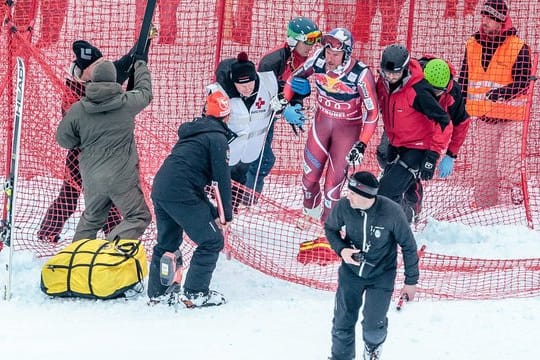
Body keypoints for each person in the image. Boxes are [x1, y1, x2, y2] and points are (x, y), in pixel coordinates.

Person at [37, 40, 141, 242]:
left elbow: (125, 64)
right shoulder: (73, 91)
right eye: (97, 65)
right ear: (84, 71)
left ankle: (115, 238)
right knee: (74, 200)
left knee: (102, 200)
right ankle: (47, 234)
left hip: (100, 158)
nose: (103, 67)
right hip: (80, 159)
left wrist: (145, 40)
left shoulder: (99, 79)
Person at [147, 90, 234, 308]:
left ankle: (159, 293)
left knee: (167, 242)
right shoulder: (217, 138)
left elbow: (194, 182)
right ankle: (196, 293)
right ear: (226, 117)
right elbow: (221, 181)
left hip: (162, 188)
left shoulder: (193, 133)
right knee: (212, 240)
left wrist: (214, 213)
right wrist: (226, 216)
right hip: (181, 193)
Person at [56, 57, 153, 242]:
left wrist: (82, 141)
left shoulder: (78, 109)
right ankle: (109, 247)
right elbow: (145, 92)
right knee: (139, 216)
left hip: (92, 177)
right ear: (114, 79)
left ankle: (77, 260)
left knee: (91, 219)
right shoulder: (127, 102)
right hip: (121, 178)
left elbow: (63, 140)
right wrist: (140, 65)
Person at [287, 28, 379, 224]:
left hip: (346, 132)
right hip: (321, 126)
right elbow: (293, 79)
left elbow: (373, 113)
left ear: (346, 53)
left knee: (332, 188)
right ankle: (309, 214)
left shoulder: (360, 74)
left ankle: (329, 226)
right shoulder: (318, 60)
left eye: (335, 54)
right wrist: (285, 100)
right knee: (309, 179)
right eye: (328, 52)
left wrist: (361, 144)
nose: (330, 58)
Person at [325, 171, 419, 360]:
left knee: (373, 325)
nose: (348, 195)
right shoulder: (344, 206)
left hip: (381, 274)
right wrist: (342, 250)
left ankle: (373, 349)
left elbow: (408, 246)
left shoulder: (391, 212)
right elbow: (331, 229)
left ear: (365, 195)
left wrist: (411, 281)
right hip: (350, 273)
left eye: (352, 192)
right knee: (343, 321)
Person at [376, 56, 471, 222]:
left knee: (406, 172)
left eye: (436, 92)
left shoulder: (453, 94)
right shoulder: (412, 79)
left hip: (426, 136)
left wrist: (450, 154)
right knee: (384, 155)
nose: (431, 95)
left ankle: (412, 199)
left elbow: (459, 124)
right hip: (400, 125)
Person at [458, 0, 532, 207]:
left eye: (489, 17)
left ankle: (515, 206)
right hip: (484, 117)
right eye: (483, 16)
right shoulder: (472, 45)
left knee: (510, 163)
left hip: (512, 117)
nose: (484, 21)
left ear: (501, 21)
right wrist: (458, 104)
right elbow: (464, 79)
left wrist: (500, 93)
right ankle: (484, 207)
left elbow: (524, 83)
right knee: (482, 167)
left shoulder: (519, 47)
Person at [244, 16, 321, 198]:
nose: (312, 45)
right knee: (261, 159)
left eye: (315, 40)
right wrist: (284, 109)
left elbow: (295, 89)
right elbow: (262, 95)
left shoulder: (303, 60)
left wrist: (297, 103)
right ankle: (244, 197)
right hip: (254, 114)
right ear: (294, 40)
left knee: (261, 159)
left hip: (270, 115)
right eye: (308, 40)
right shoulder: (272, 61)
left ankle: (248, 198)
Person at [214, 52, 302, 209]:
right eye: (242, 85)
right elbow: (209, 123)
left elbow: (284, 95)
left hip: (250, 151)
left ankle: (239, 208)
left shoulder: (266, 84)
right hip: (227, 154)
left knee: (244, 179)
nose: (247, 88)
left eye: (250, 83)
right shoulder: (219, 94)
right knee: (219, 190)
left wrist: (290, 105)